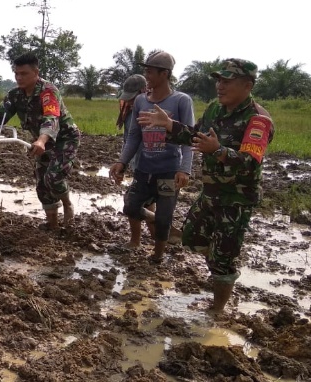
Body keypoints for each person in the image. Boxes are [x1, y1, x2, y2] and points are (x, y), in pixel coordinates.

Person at [138, 58, 274, 313]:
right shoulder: (214, 110)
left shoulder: (258, 119)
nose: (220, 86)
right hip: (210, 192)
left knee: (223, 260)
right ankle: (220, 258)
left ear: (247, 85)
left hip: (236, 200)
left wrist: (219, 151)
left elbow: (249, 162)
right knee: (192, 236)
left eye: (227, 81)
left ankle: (217, 310)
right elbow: (194, 135)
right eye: (219, 81)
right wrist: (170, 125)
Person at [0, 52, 81, 231]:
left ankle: (67, 203)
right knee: (41, 184)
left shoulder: (48, 91)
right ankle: (53, 225)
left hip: (65, 139)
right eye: (16, 73)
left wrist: (41, 140)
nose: (19, 78)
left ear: (36, 72)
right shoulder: (15, 95)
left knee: (53, 177)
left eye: (23, 74)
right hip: (40, 141)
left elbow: (51, 118)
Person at [109, 51, 194, 261]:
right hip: (144, 169)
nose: (146, 75)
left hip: (168, 171)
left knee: (165, 217)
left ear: (164, 74)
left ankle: (157, 255)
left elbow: (189, 138)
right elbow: (133, 137)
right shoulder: (140, 101)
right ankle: (153, 224)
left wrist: (185, 169)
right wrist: (122, 161)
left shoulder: (181, 101)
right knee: (131, 206)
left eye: (150, 71)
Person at [116, 74, 147, 171]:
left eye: (132, 98)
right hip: (137, 167)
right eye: (127, 98)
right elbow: (127, 140)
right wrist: (123, 164)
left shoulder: (155, 111)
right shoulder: (128, 113)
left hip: (155, 166)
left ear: (143, 91)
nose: (129, 102)